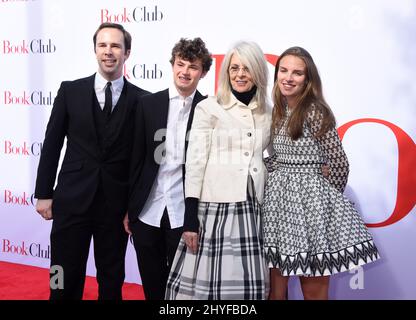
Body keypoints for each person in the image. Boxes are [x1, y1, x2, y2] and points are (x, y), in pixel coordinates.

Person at [34, 22, 149, 300]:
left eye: (115, 46)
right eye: (103, 45)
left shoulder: (142, 100)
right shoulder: (69, 91)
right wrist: (44, 193)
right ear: (95, 50)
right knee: (61, 271)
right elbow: (51, 144)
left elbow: (140, 161)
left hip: (115, 205)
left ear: (127, 52)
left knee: (112, 278)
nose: (108, 52)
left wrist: (133, 208)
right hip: (71, 200)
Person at [262, 46, 380, 300]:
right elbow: (279, 157)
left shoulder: (315, 110)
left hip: (311, 210)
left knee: (313, 290)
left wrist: (323, 197)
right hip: (278, 209)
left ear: (308, 79)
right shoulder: (277, 110)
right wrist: (273, 171)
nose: (288, 78)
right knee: (275, 291)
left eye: (297, 73)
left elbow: (339, 162)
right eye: (283, 70)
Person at [165, 41, 271, 300]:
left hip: (254, 207)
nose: (240, 74)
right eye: (234, 68)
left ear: (258, 71)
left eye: (246, 68)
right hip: (214, 209)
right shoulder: (209, 107)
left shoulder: (270, 111)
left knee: (248, 286)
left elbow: (275, 155)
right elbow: (195, 164)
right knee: (207, 287)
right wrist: (190, 219)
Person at [124, 38, 213, 300]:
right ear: (172, 65)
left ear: (204, 72)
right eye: (180, 64)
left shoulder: (209, 110)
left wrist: (195, 218)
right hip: (147, 211)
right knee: (152, 285)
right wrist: (130, 209)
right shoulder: (147, 104)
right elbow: (135, 161)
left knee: (183, 289)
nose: (185, 71)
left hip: (184, 214)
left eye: (193, 66)